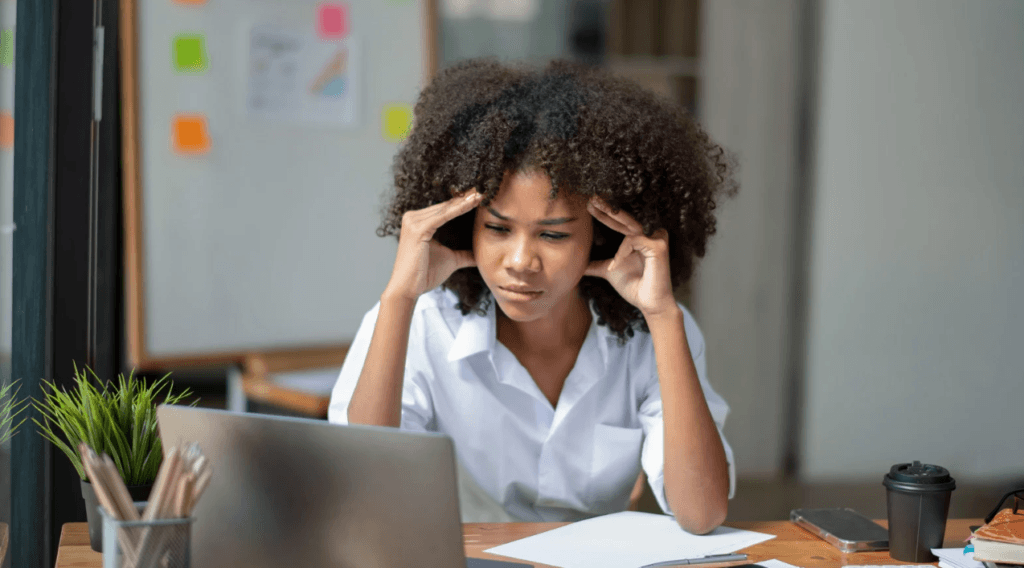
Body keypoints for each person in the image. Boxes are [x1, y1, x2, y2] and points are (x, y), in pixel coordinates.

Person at [328, 59, 738, 534]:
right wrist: (399, 297)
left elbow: (703, 513)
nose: (521, 260)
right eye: (498, 228)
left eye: (554, 235)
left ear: (601, 237)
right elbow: (367, 492)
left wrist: (664, 316)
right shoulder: (424, 322)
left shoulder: (653, 333)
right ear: (467, 227)